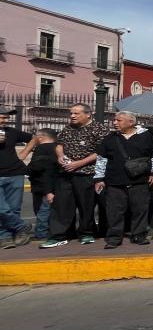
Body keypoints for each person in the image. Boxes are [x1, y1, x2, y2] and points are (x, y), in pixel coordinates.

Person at [41, 103, 110, 248]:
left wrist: (79, 163)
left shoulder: (99, 129)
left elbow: (101, 152)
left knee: (86, 205)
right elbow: (59, 145)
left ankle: (86, 233)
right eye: (71, 113)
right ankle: (58, 235)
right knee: (62, 205)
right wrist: (60, 156)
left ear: (88, 114)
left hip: (87, 173)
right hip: (65, 173)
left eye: (76, 113)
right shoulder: (67, 129)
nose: (72, 116)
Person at [94, 111, 153, 249]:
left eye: (119, 120)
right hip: (115, 182)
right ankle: (114, 238)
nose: (115, 122)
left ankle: (139, 235)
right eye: (115, 120)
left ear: (131, 122)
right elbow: (101, 160)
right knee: (114, 211)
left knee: (140, 209)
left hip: (140, 181)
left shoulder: (146, 137)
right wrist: (99, 178)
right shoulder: (109, 139)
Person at [0, 109, 38, 248]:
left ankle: (7, 237)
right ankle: (22, 226)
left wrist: (25, 151)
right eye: (1, 117)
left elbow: (34, 138)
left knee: (14, 208)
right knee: (2, 209)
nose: (4, 120)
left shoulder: (13, 132)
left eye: (6, 117)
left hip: (15, 174)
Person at [26, 128, 59, 241]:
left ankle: (41, 234)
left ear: (40, 137)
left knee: (42, 210)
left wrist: (27, 170)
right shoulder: (58, 148)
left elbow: (37, 166)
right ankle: (50, 231)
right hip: (54, 184)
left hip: (41, 185)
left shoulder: (41, 148)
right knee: (50, 210)